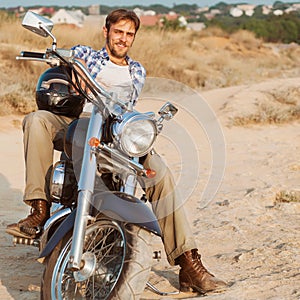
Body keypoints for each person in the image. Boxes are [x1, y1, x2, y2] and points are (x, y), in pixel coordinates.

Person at [6, 9, 227, 294]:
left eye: (129, 34)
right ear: (106, 32)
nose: (123, 39)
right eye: (118, 32)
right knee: (37, 121)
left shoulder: (136, 70)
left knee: (160, 174)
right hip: (80, 124)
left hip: (116, 129)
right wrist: (58, 57)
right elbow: (64, 56)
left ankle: (189, 263)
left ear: (133, 38)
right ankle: (38, 209)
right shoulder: (85, 55)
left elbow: (122, 102)